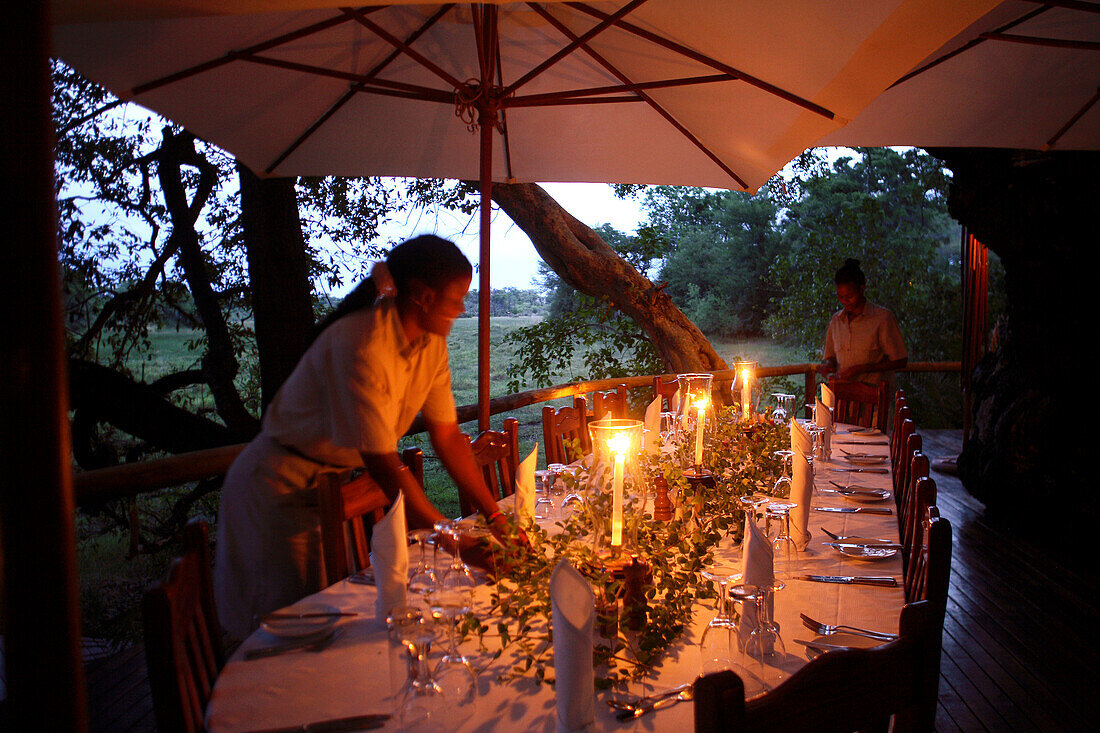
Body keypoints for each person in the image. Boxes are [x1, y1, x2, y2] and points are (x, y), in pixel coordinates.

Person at [214, 235, 522, 640]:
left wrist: (496, 517)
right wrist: (454, 540)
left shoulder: (431, 344)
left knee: (333, 626)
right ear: (422, 297)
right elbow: (382, 462)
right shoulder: (363, 344)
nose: (463, 308)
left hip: (331, 487)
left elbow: (446, 436)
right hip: (277, 490)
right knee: (281, 634)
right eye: (457, 298)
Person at [816, 258, 908, 386]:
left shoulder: (882, 318)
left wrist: (859, 369)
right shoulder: (837, 321)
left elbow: (900, 360)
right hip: (843, 399)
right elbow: (830, 357)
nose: (845, 301)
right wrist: (828, 365)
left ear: (862, 288)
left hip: (874, 400)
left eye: (850, 296)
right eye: (840, 297)